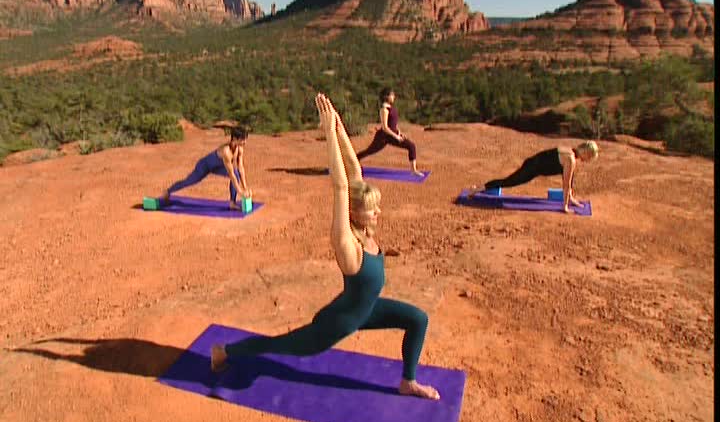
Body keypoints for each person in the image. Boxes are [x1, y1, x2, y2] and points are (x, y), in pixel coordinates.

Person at [210, 93, 439, 400]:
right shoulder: (347, 242)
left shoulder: (363, 227)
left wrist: (339, 126)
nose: (378, 212)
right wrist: (328, 133)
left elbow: (354, 172)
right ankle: (224, 351)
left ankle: (407, 382)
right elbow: (341, 186)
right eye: (372, 208)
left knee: (417, 319)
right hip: (336, 324)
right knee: (279, 344)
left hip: (366, 310)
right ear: (354, 211)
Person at [468, 141, 600, 213]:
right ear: (586, 152)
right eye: (589, 157)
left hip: (533, 164)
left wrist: (570, 198)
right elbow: (566, 184)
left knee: (509, 181)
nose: (588, 160)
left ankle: (479, 188)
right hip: (531, 167)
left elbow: (569, 180)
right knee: (509, 181)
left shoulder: (570, 151)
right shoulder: (570, 160)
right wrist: (565, 206)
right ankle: (477, 189)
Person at [160, 126, 252, 210]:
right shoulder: (226, 151)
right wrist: (240, 191)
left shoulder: (240, 148)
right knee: (189, 181)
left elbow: (241, 168)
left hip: (217, 167)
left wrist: (245, 188)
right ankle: (167, 191)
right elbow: (231, 174)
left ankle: (232, 203)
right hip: (204, 166)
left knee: (236, 173)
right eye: (243, 140)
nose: (245, 142)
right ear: (235, 138)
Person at [356, 88, 424, 177]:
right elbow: (385, 127)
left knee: (411, 146)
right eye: (392, 95)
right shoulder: (384, 110)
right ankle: (353, 160)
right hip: (384, 136)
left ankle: (413, 171)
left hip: (392, 134)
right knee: (370, 151)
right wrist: (396, 137)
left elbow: (393, 124)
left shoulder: (391, 108)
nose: (394, 97)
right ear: (386, 96)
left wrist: (399, 132)